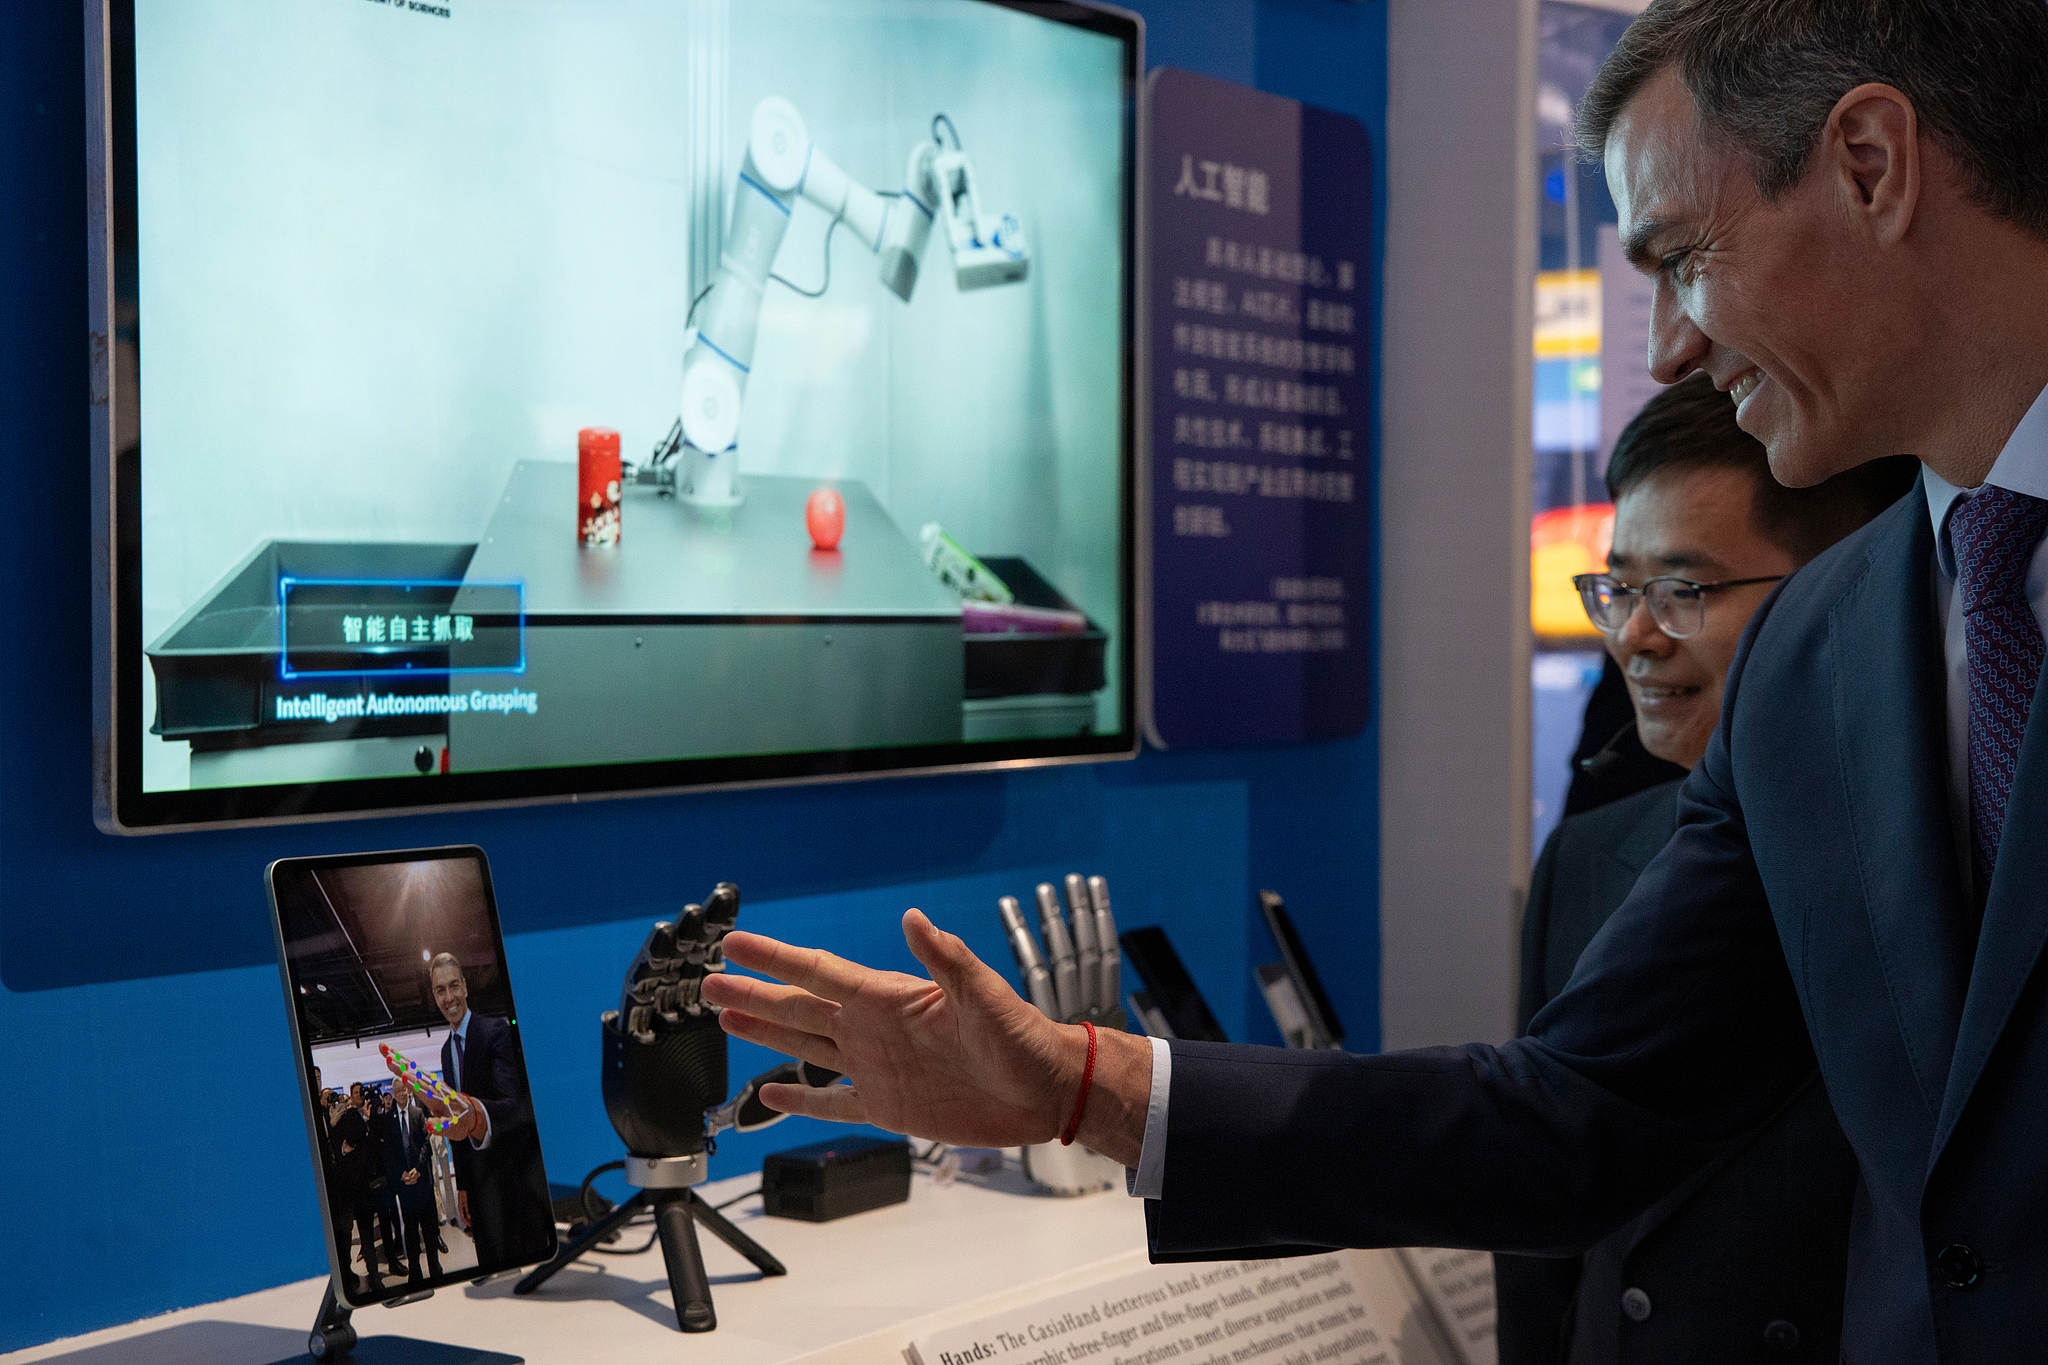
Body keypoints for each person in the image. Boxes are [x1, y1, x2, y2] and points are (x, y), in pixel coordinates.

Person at [701, 4, 2048, 1361]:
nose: (1666, 352)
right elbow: (1573, 1115)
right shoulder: (1821, 649)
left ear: (1873, 164)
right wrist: (1083, 1085)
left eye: (1684, 258)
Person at [1495, 377, 1911, 1365]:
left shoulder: (1926, 874)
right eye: (1617, 588)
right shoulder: (1589, 859)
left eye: (1682, 590)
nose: (1633, 637)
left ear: (1833, 594)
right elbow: (1538, 1209)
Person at [402, 952, 552, 1269]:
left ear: (466, 987)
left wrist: (475, 1113)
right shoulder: (446, 1051)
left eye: (453, 986)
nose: (448, 997)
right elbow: (457, 1126)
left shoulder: (495, 1030)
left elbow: (514, 1104)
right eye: (440, 990)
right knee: (492, 1260)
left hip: (515, 1174)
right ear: (434, 995)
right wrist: (463, 1186)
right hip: (480, 1185)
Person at [385, 1087, 444, 1284]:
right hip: (405, 1185)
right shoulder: (389, 1119)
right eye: (398, 1091)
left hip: (422, 1181)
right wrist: (401, 1174)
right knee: (410, 1230)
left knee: (429, 1228)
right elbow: (389, 1153)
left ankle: (435, 1267)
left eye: (404, 1090)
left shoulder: (418, 1114)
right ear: (393, 1094)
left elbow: (426, 1145)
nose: (402, 1093)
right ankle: (415, 1271)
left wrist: (417, 1169)